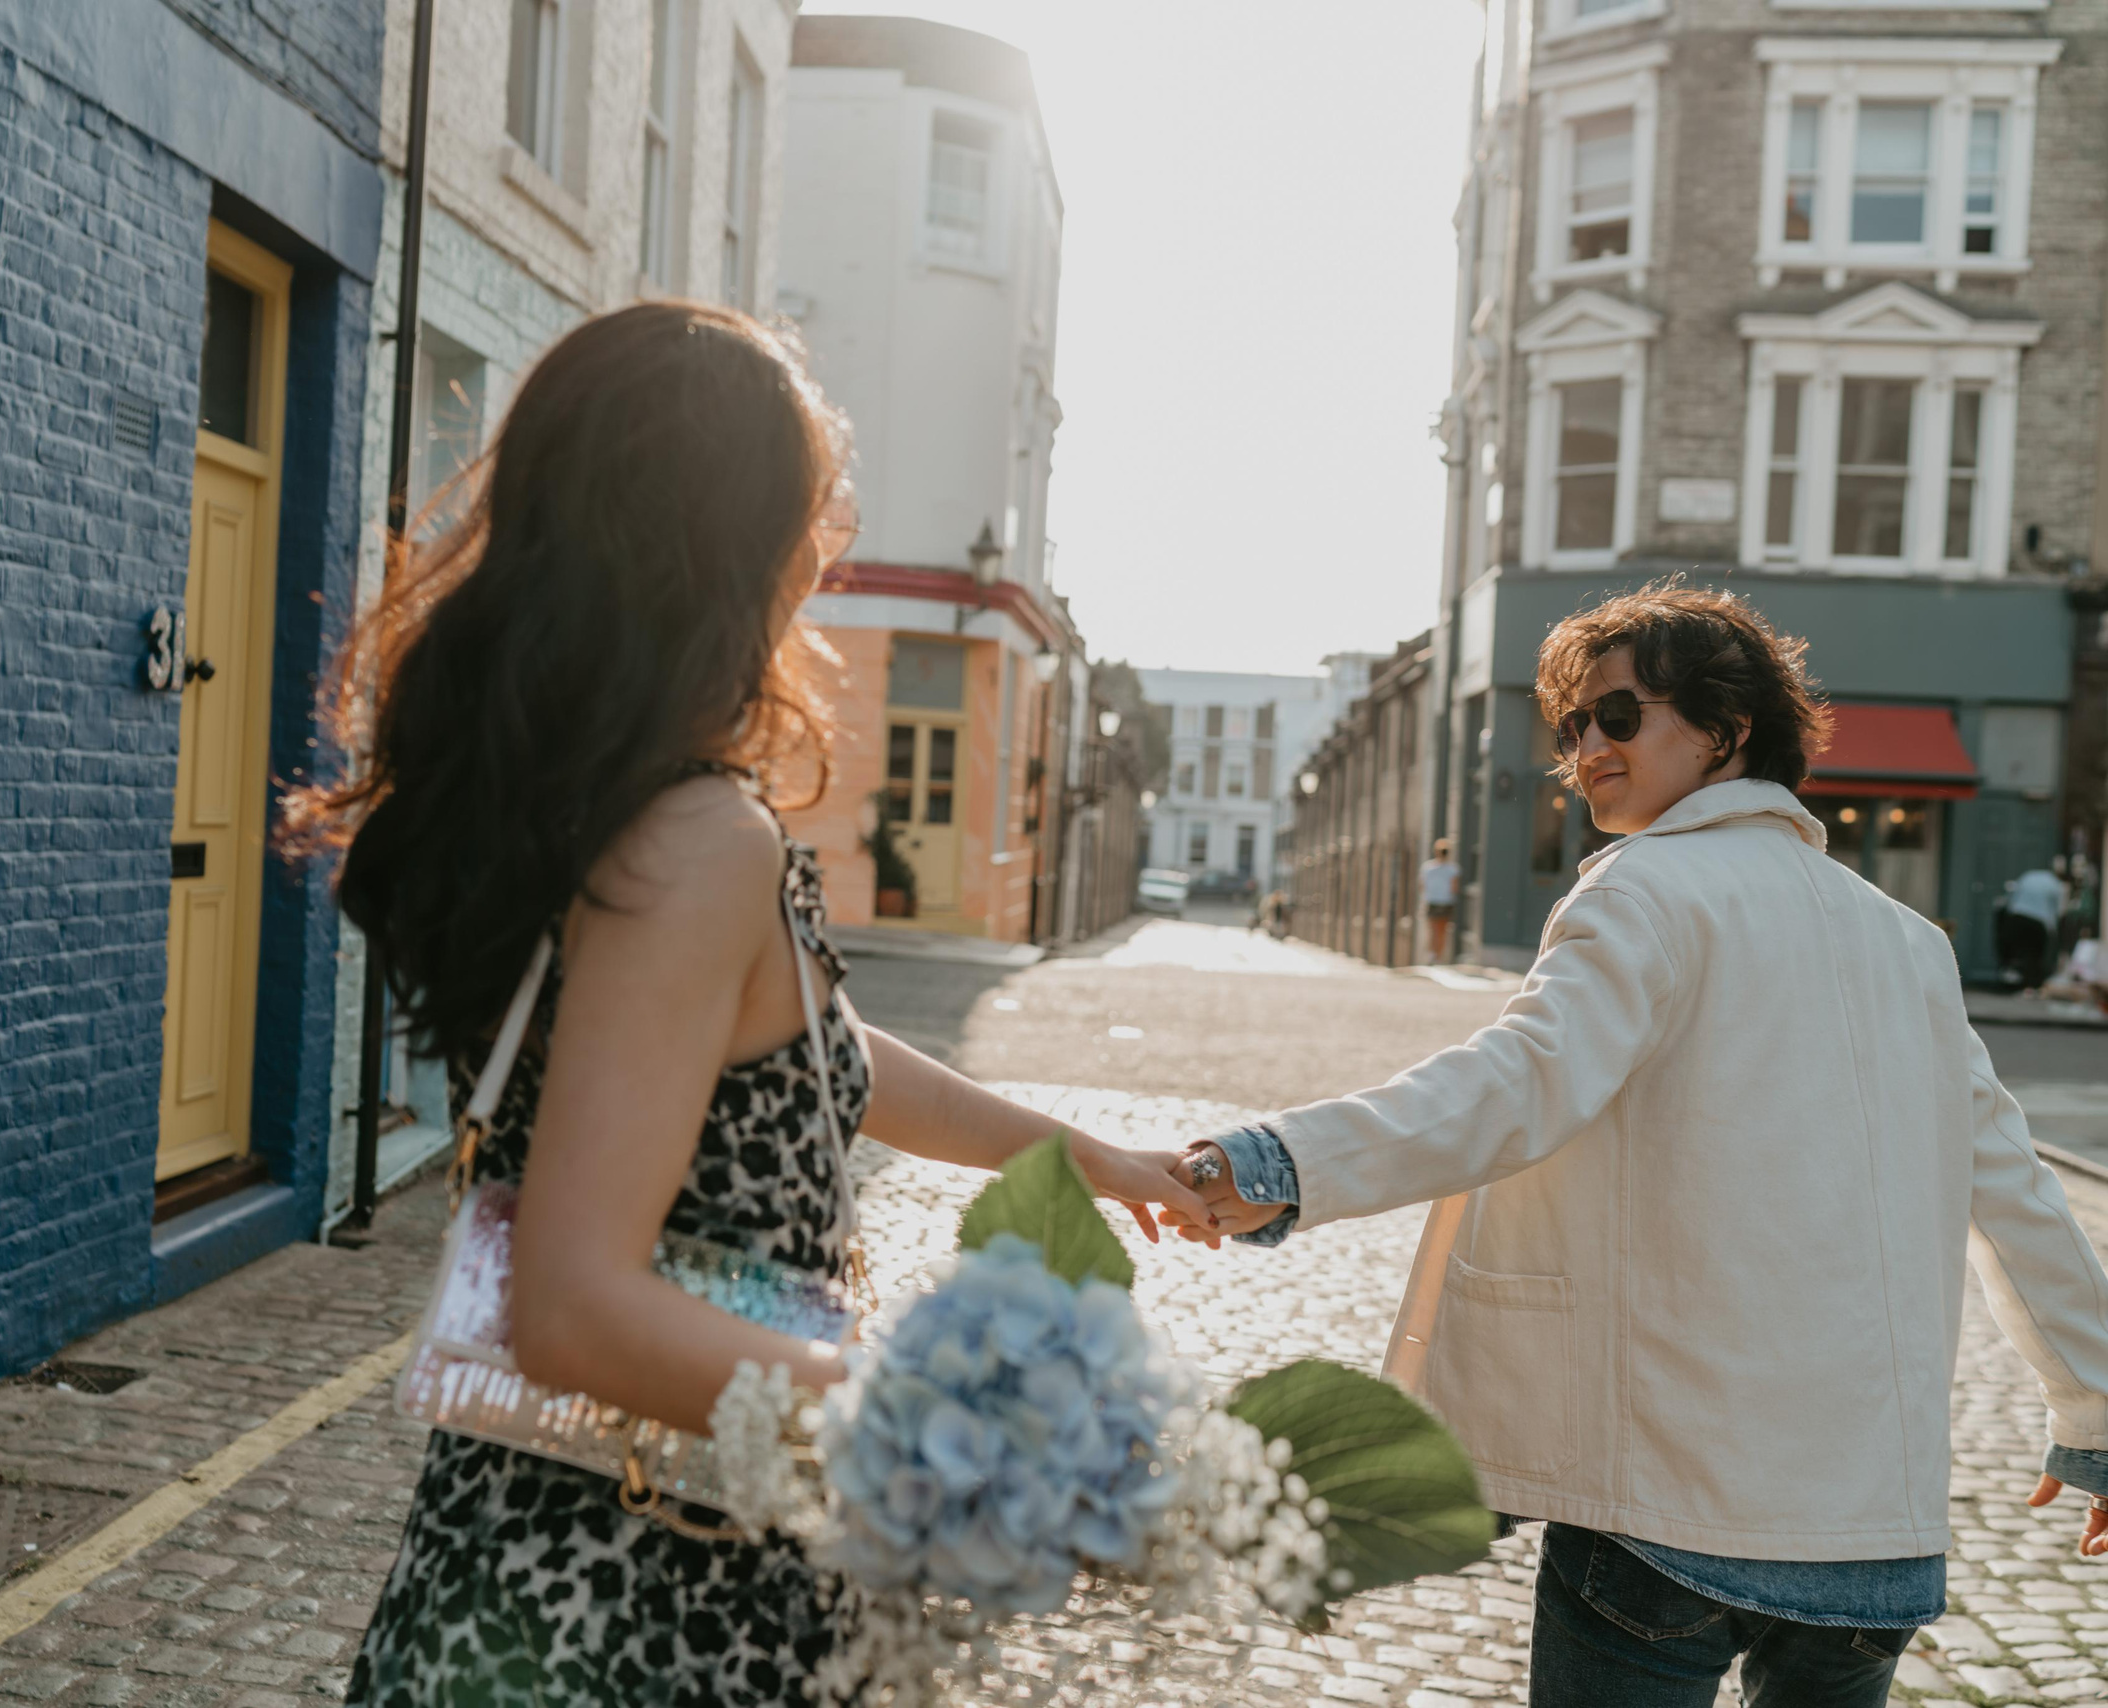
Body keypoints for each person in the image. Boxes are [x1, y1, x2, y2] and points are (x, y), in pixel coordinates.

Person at [289, 303, 1211, 1708]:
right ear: (726, 536)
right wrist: (953, 1429)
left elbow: (815, 1056)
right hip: (639, 1609)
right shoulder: (698, 842)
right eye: (812, 503)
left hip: (511, 1569)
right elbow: (572, 1309)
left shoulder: (590, 801)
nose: (828, 541)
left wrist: (1089, 1158)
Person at [1161, 585, 2108, 1708]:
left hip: (1672, 1508)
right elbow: (2014, 1189)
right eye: (1571, 727)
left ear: (1727, 728)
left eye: (1618, 716)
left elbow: (1515, 1082)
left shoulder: (1649, 889)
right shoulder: (1910, 943)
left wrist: (1280, 1164)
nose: (1584, 751)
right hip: (1872, 1541)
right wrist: (2095, 1415)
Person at [2001, 858, 2068, 989]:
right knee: (2033, 954)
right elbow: (2057, 911)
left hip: (2017, 916)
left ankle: (2011, 982)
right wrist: (2053, 930)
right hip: (2038, 921)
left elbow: (2011, 897)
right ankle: (2030, 985)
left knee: (2015, 951)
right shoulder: (2055, 884)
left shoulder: (2028, 876)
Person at [1418, 838, 1461, 963]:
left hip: (1432, 900)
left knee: (1432, 929)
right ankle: (1438, 957)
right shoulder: (1453, 869)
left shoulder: (1427, 867)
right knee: (1442, 930)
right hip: (1446, 902)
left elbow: (1422, 885)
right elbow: (1454, 888)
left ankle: (1431, 954)